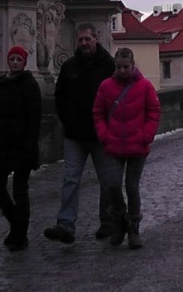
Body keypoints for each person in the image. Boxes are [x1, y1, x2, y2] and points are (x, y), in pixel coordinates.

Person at [44, 23, 116, 244]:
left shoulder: (109, 66)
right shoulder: (70, 67)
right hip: (75, 134)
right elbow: (61, 97)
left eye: (88, 39)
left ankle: (108, 222)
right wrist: (67, 120)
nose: (84, 43)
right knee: (70, 180)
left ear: (96, 39)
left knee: (107, 181)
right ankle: (66, 225)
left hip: (101, 134)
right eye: (81, 40)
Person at [93, 48, 161, 248]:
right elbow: (98, 112)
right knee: (112, 185)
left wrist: (146, 135)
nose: (123, 71)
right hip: (114, 144)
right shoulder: (106, 86)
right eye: (119, 67)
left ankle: (133, 228)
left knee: (132, 187)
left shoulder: (144, 86)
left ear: (133, 66)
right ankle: (120, 220)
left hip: (137, 145)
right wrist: (104, 135)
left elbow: (154, 111)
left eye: (126, 67)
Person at [0, 45, 41, 251]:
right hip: (0, 144)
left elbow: (34, 120)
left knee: (20, 191)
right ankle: (17, 226)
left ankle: (20, 234)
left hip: (21, 146)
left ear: (24, 63)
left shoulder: (30, 85)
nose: (15, 62)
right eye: (12, 59)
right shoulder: (3, 84)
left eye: (19, 60)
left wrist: (30, 148)